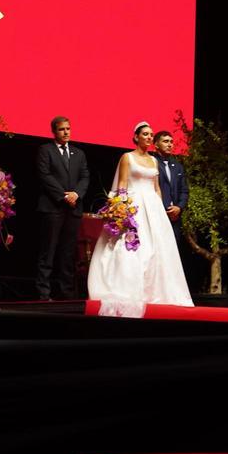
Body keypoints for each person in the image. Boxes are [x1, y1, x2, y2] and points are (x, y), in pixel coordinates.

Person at [87, 122, 193, 316]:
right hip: (135, 205)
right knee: (135, 247)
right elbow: (122, 185)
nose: (149, 137)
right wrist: (121, 208)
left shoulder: (154, 161)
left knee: (158, 249)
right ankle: (128, 288)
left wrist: (160, 210)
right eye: (145, 134)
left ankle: (158, 291)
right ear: (136, 137)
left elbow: (156, 187)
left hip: (153, 207)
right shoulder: (127, 157)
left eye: (151, 134)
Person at [35, 116, 90, 300]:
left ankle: (67, 293)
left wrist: (76, 194)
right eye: (61, 129)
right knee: (48, 251)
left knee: (68, 253)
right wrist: (63, 196)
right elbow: (45, 175)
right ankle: (44, 294)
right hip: (53, 207)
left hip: (73, 208)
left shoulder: (78, 153)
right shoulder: (46, 150)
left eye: (68, 128)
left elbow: (85, 177)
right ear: (54, 131)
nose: (66, 132)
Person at [151, 130, 189, 243]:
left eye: (171, 142)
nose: (170, 144)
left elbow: (184, 190)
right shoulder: (151, 162)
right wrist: (161, 209)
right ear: (156, 144)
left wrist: (179, 208)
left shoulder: (178, 166)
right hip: (157, 216)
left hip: (175, 219)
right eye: (165, 141)